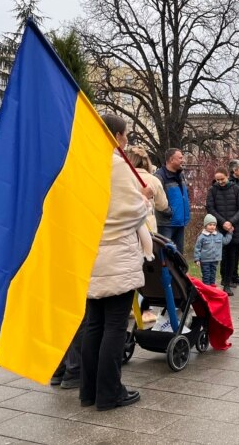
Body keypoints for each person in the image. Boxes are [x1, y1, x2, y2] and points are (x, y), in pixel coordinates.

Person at [80, 113, 150, 411]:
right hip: (116, 253)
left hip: (91, 253)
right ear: (116, 137)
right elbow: (129, 212)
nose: (126, 140)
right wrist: (144, 198)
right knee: (114, 326)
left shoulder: (82, 163)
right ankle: (110, 393)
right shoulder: (116, 164)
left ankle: (90, 391)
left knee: (94, 324)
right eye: (125, 135)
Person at [125, 145, 169, 324]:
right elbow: (163, 205)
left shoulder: (122, 176)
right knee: (146, 269)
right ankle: (146, 309)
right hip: (147, 227)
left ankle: (129, 304)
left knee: (127, 267)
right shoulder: (152, 180)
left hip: (126, 227)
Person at [206, 167, 239, 296]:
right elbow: (210, 208)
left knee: (232, 255)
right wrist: (223, 222)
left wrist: (231, 222)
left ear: (227, 176)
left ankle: (228, 281)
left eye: (222, 179)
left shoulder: (236, 189)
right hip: (220, 226)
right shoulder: (213, 190)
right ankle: (224, 280)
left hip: (235, 227)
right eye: (217, 180)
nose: (220, 182)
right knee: (222, 255)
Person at [155, 148, 190, 253]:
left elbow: (185, 194)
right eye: (180, 158)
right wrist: (170, 212)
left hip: (180, 222)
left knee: (178, 256)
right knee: (165, 255)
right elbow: (157, 199)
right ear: (171, 160)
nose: (182, 160)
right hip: (166, 223)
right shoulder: (159, 176)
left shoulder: (181, 175)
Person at [194, 214, 233, 286]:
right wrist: (197, 259)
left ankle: (212, 287)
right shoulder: (202, 237)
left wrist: (230, 233)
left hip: (215, 260)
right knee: (206, 275)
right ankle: (206, 288)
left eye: (214, 225)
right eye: (210, 225)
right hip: (205, 260)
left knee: (213, 274)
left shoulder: (219, 235)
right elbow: (197, 248)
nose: (212, 227)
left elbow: (225, 241)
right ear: (205, 226)